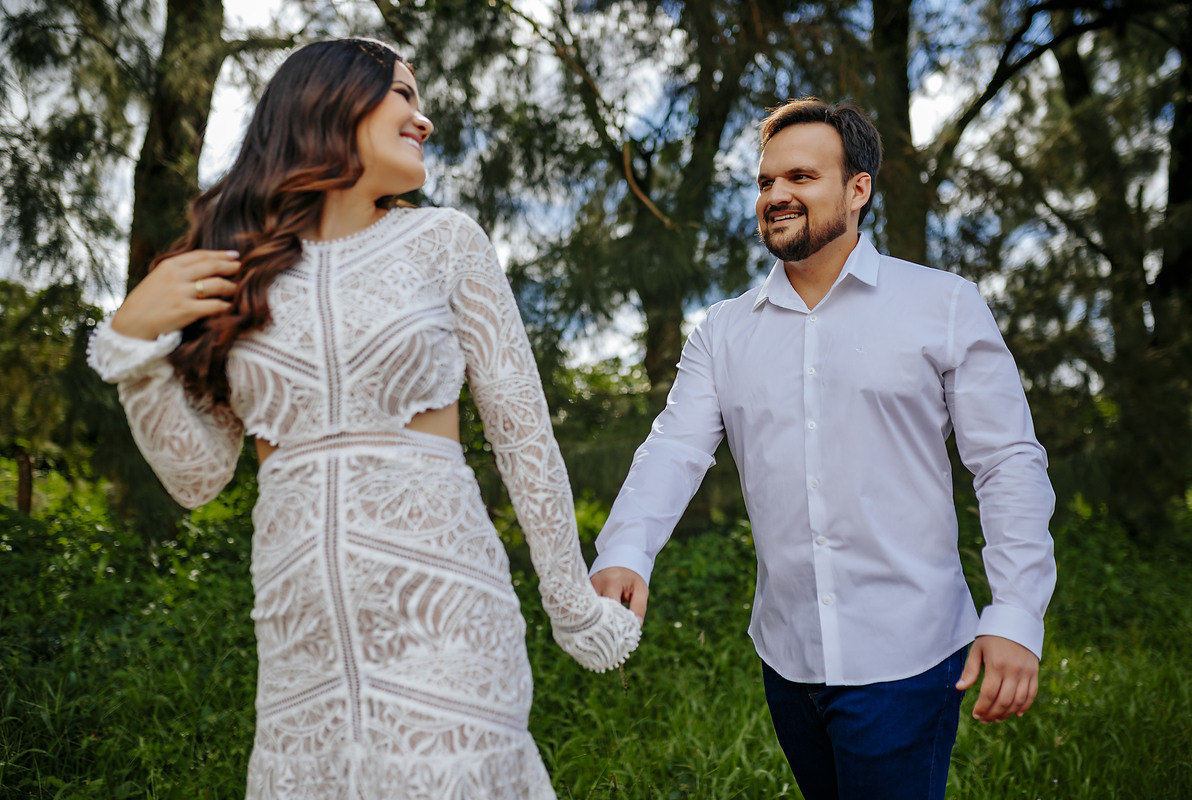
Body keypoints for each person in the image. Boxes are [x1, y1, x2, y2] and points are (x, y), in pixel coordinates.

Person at [88, 38, 640, 799]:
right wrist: (133, 347)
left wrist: (574, 607)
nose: (424, 118)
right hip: (299, 637)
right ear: (329, 100)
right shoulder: (237, 270)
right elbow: (197, 478)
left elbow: (522, 436)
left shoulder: (444, 242)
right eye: (403, 94)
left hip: (448, 617)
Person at [589, 97, 1055, 799]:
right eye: (766, 181)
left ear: (857, 189)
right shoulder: (723, 332)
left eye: (801, 177)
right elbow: (673, 448)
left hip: (908, 656)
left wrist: (1015, 612)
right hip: (788, 656)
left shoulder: (944, 305)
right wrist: (627, 549)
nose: (776, 194)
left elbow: (1007, 462)